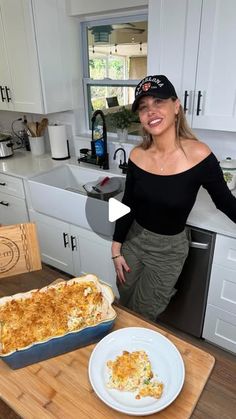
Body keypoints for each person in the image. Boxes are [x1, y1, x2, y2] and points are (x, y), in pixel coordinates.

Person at [111, 74, 236, 321]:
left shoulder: (199, 154)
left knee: (144, 313)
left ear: (176, 106)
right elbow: (128, 204)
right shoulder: (137, 155)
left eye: (158, 102)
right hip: (133, 242)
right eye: (144, 107)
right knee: (125, 300)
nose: (151, 112)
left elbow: (225, 203)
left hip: (167, 251)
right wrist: (116, 247)